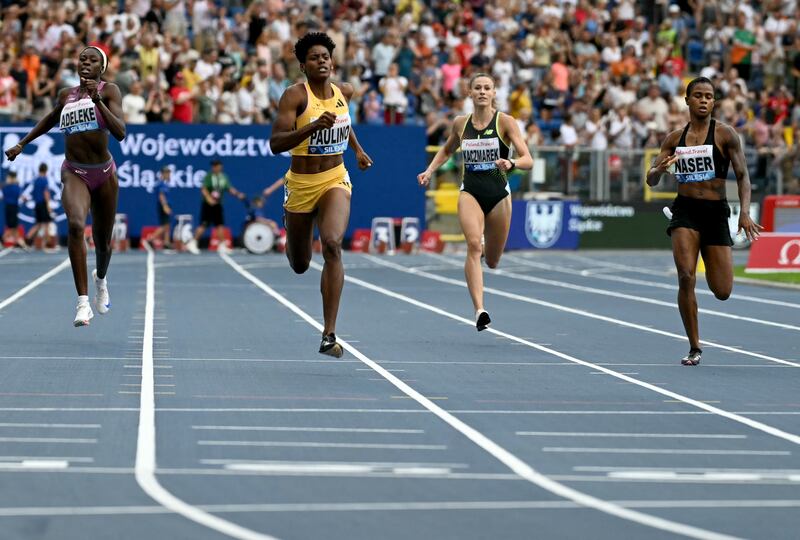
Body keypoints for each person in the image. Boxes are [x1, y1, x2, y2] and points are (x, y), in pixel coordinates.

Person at [5, 46, 126, 327]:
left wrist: (99, 101)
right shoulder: (66, 95)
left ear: (102, 68)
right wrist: (23, 143)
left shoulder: (110, 91)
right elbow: (50, 119)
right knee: (74, 225)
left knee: (103, 244)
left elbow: (120, 132)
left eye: (92, 60)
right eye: (82, 59)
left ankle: (101, 279)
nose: (86, 63)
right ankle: (83, 303)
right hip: (74, 172)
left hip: (104, 173)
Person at [270, 32, 373, 358]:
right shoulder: (294, 97)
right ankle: (291, 223)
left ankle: (329, 333)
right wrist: (312, 127)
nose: (322, 61)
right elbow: (276, 143)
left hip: (334, 178)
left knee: (331, 243)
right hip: (301, 183)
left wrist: (357, 149)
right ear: (303, 65)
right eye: (315, 57)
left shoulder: (345, 91)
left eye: (326, 56)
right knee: (300, 264)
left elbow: (343, 121)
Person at [646, 77, 762, 366]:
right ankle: (694, 346)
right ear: (687, 100)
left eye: (708, 96)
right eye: (697, 95)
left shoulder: (725, 135)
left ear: (714, 102)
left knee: (722, 291)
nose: (703, 100)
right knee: (686, 276)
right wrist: (658, 170)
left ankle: (699, 332)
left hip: (715, 212)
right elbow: (651, 178)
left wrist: (744, 211)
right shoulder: (674, 138)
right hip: (685, 210)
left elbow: (743, 176)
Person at [417, 73, 533, 331]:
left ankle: (484, 249)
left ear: (494, 93)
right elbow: (447, 149)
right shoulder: (461, 124)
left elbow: (528, 159)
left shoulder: (506, 122)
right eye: (477, 88)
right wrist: (430, 170)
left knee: (492, 260)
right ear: (469, 93)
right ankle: (480, 310)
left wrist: (511, 162)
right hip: (470, 191)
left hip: (499, 195)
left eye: (487, 88)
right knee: (472, 245)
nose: (482, 91)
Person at [186, 159, 246, 254]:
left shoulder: (224, 177)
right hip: (208, 205)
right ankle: (192, 242)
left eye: (218, 166)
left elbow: (229, 188)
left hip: (218, 204)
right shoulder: (209, 176)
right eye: (215, 166)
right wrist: (209, 198)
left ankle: (222, 245)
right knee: (204, 224)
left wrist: (238, 194)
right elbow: (204, 189)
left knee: (220, 224)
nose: (217, 167)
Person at [25, 163, 56, 249]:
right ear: (46, 170)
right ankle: (48, 243)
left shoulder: (36, 180)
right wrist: (48, 206)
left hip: (37, 204)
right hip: (43, 204)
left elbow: (34, 193)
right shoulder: (44, 179)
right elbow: (46, 193)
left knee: (38, 224)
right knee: (46, 223)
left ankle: (27, 238)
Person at [145, 165, 173, 249]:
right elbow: (161, 196)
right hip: (163, 206)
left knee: (167, 224)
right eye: (166, 173)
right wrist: (165, 206)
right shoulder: (162, 184)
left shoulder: (165, 183)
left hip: (165, 205)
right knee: (164, 225)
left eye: (169, 173)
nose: (168, 174)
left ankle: (167, 243)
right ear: (162, 174)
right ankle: (150, 239)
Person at [1, 170, 27, 249]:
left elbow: (2, 197)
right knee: (13, 226)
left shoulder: (5, 187)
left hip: (8, 207)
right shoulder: (16, 187)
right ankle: (18, 242)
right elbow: (21, 197)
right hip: (13, 207)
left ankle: (18, 242)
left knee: (12, 226)